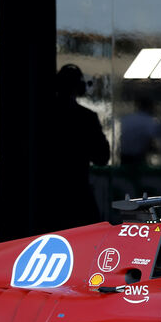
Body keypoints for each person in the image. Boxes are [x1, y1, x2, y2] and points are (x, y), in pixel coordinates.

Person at [44, 64, 111, 230]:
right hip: (78, 194)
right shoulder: (86, 117)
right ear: (79, 87)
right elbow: (102, 157)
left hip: (47, 196)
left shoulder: (41, 115)